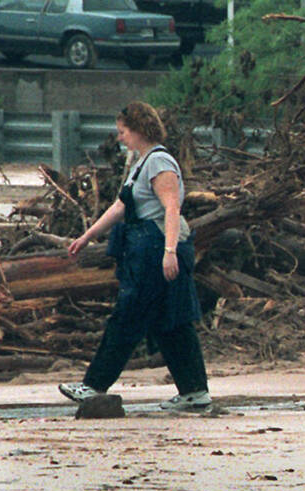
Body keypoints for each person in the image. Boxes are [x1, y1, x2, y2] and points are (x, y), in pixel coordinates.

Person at [61, 101, 210, 412]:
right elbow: (120, 207)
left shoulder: (160, 163)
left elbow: (172, 208)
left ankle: (93, 386)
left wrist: (169, 253)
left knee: (128, 318)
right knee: (169, 321)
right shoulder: (139, 162)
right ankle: (195, 392)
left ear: (139, 130)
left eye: (123, 131)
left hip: (158, 250)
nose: (119, 137)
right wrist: (86, 237)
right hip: (145, 249)